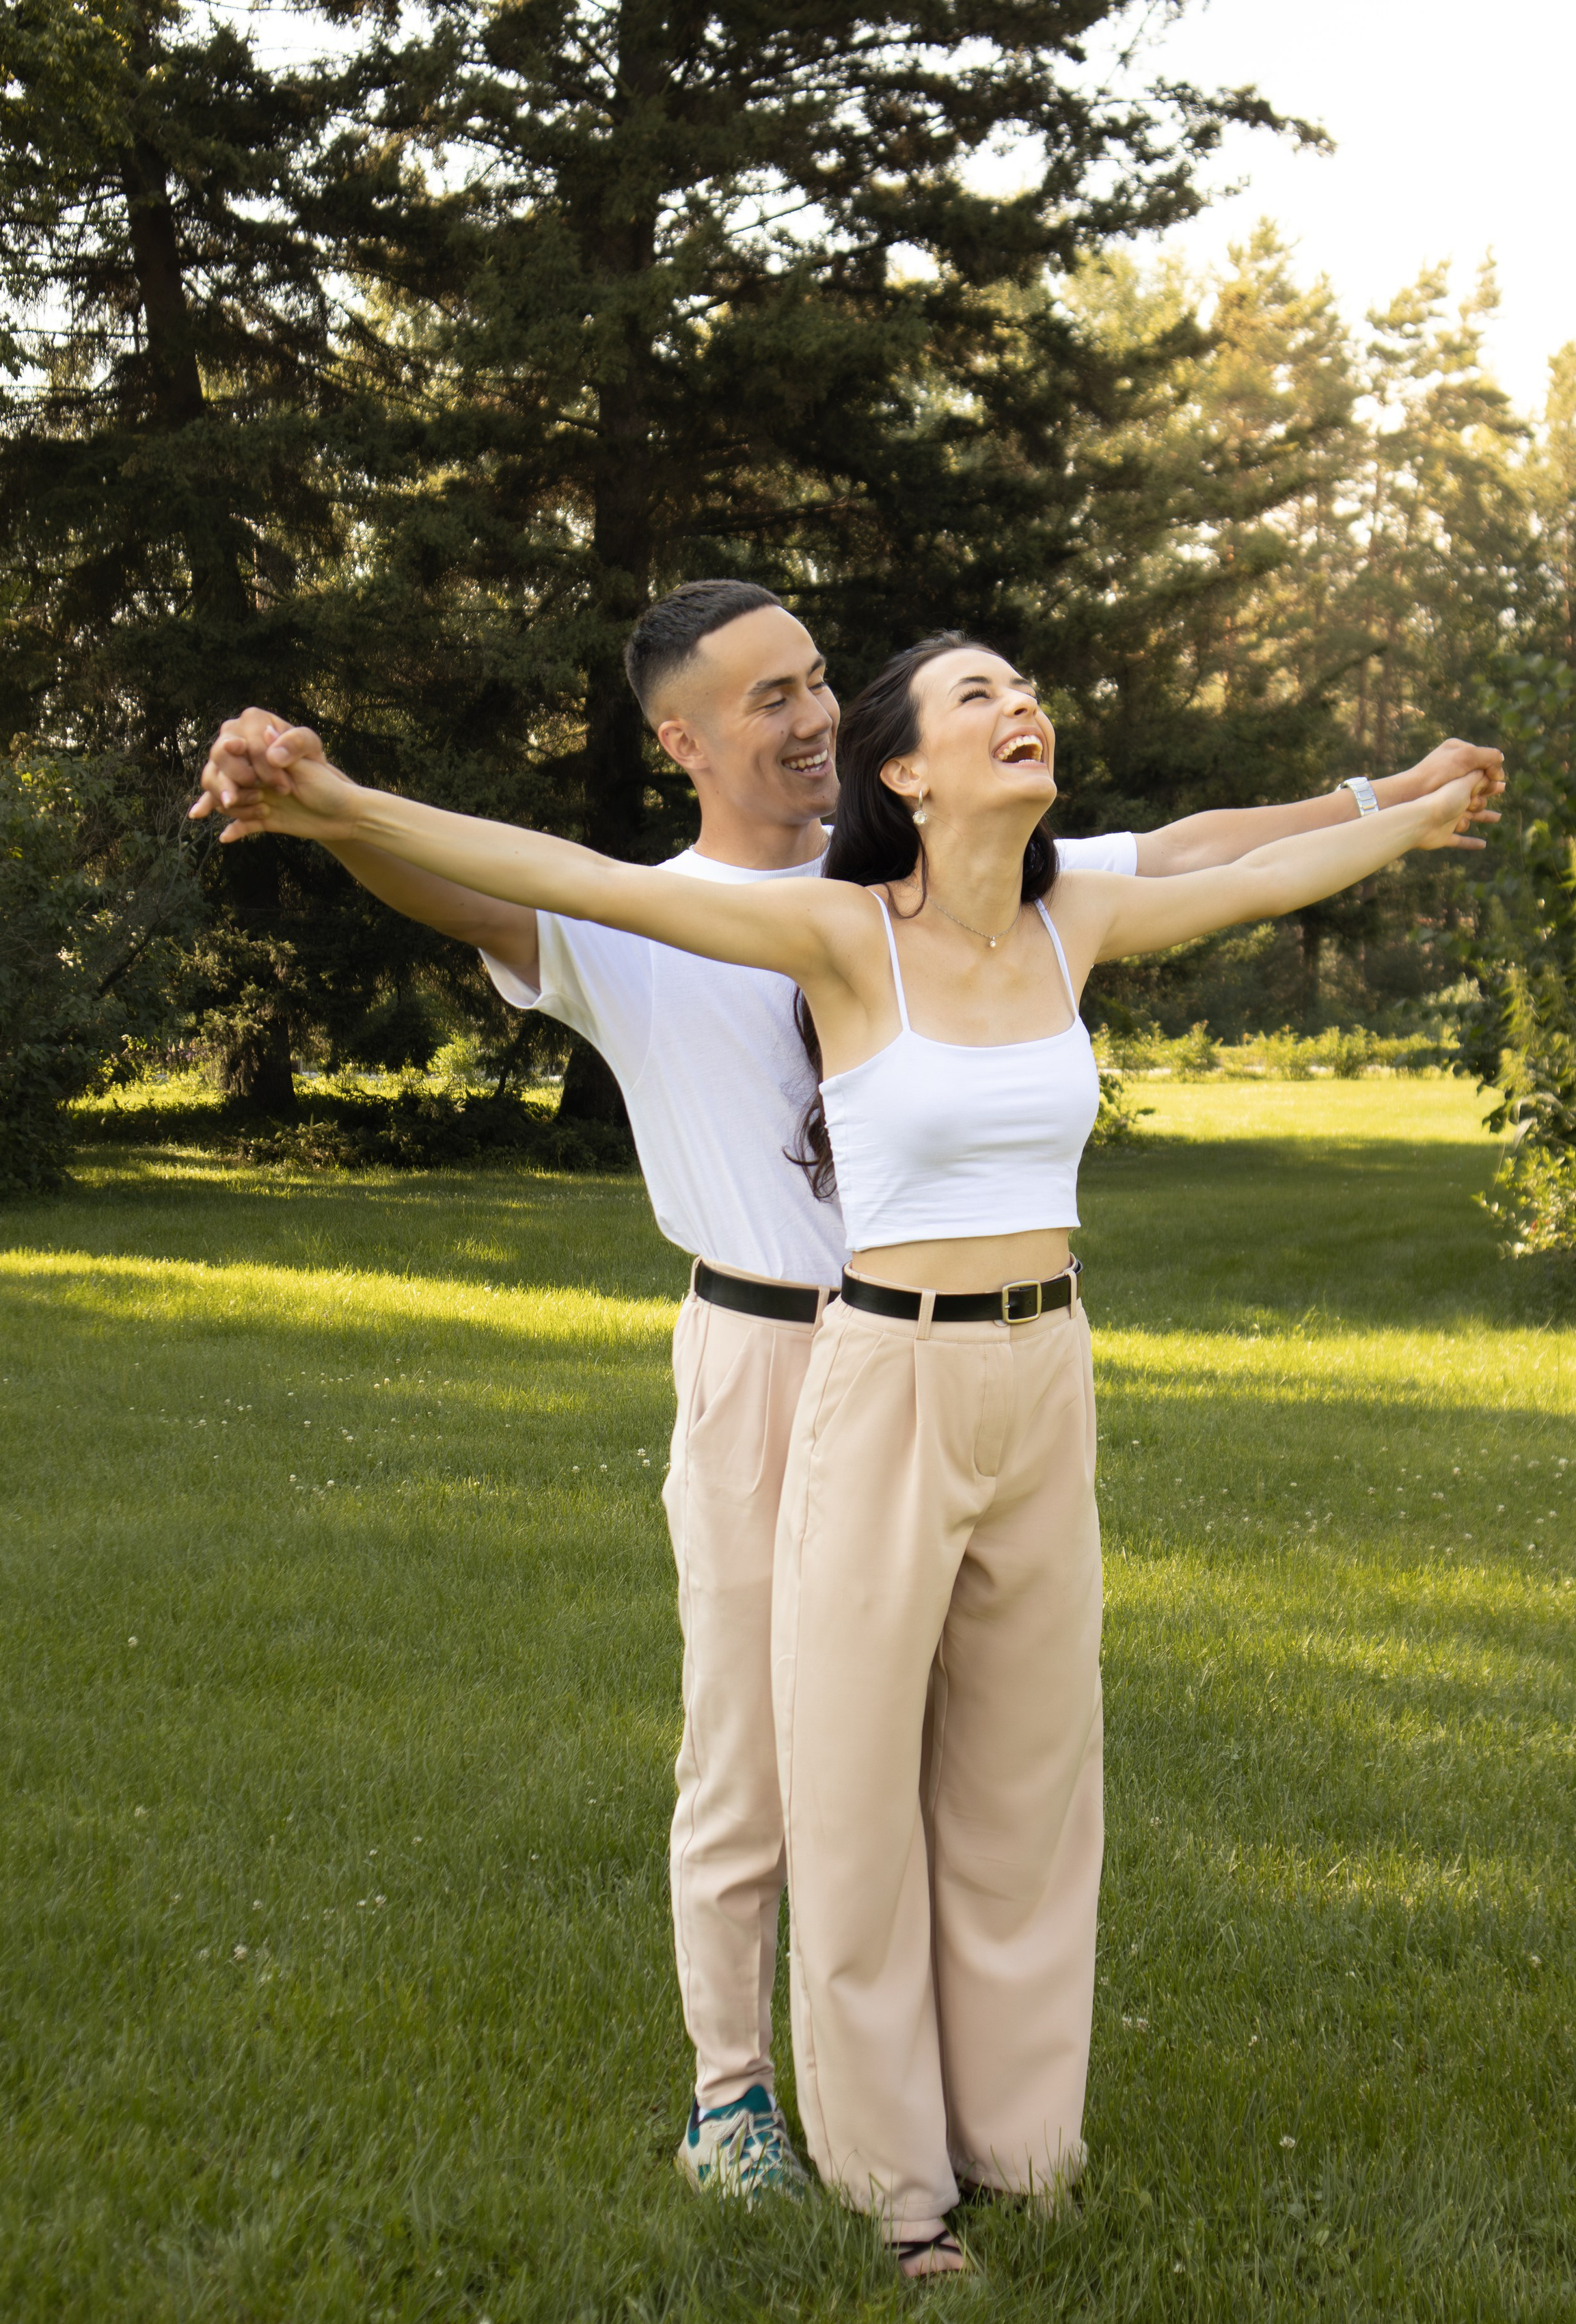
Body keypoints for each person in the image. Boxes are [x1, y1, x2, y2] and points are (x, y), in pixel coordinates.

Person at [194, 586, 1503, 2212]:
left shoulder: (942, 882)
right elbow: (485, 886)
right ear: (680, 740)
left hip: (963, 1361)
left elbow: (1192, 849)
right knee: (757, 1756)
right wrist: (330, 817)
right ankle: (731, 2095)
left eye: (819, 680)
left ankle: (970, 2106)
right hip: (769, 1355)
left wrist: (1383, 800)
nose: (809, 713)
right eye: (766, 697)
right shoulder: (652, 918)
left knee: (981, 1754)